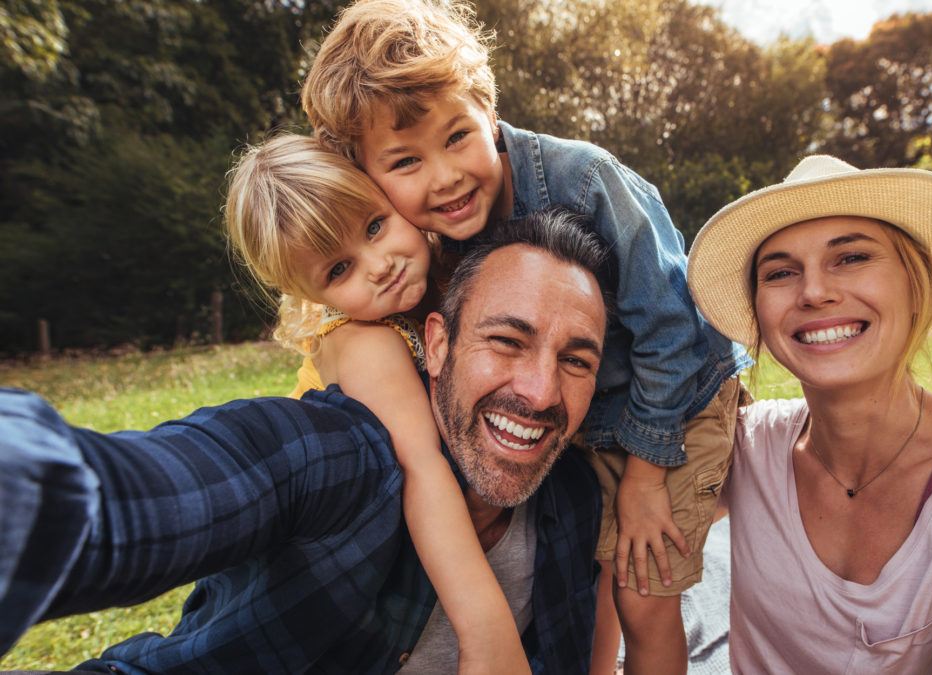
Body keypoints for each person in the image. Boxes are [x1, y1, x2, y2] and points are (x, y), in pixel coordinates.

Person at [300, 2, 753, 671]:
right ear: (368, 173)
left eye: (457, 137)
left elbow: (676, 323)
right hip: (582, 413)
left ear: (488, 110)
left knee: (644, 591)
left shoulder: (585, 180)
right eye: (405, 161)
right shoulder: (435, 239)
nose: (445, 175)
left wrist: (647, 475)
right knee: (594, 570)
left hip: (679, 403)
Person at [0, 211, 609, 673]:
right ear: (439, 343)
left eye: (577, 361)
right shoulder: (337, 458)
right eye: (506, 340)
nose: (538, 392)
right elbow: (136, 496)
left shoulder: (574, 499)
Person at [685, 154, 932, 672]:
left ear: (918, 286)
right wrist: (646, 481)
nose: (814, 292)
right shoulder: (744, 446)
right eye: (780, 272)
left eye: (851, 258)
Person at [224, 132, 528, 672]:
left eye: (374, 226)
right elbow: (422, 471)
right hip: (327, 573)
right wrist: (487, 631)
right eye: (339, 269)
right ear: (310, 295)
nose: (379, 264)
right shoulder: (367, 344)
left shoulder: (434, 281)